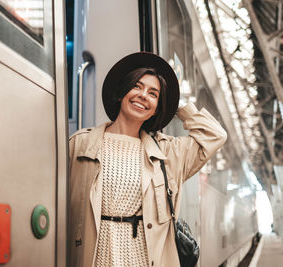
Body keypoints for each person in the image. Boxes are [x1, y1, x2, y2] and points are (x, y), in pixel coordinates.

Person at [68, 52, 227, 267]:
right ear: (121, 93)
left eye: (153, 94)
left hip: (144, 260)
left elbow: (215, 135)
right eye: (137, 87)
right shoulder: (80, 144)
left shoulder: (168, 153)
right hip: (96, 258)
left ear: (156, 109)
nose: (143, 95)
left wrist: (178, 105)